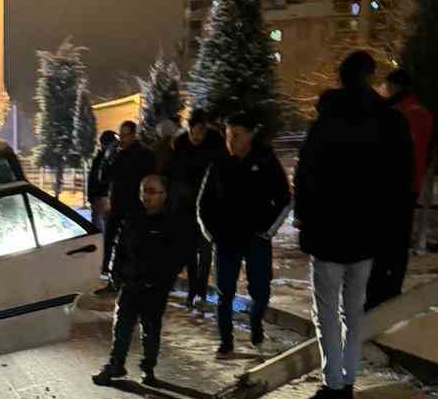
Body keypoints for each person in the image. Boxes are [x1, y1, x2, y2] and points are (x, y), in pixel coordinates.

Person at [290, 50, 415, 399]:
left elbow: (306, 175)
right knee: (353, 311)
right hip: (368, 235)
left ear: (341, 76)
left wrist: (305, 222)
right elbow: (401, 182)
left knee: (327, 312)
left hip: (328, 234)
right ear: (370, 77)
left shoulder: (327, 121)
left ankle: (335, 385)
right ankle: (347, 381)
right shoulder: (390, 122)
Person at [197, 111, 291, 356]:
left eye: (236, 136)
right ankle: (226, 341)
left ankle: (256, 323)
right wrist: (211, 233)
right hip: (226, 239)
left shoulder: (266, 159)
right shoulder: (218, 162)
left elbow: (284, 199)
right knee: (224, 293)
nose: (231, 141)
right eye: (228, 136)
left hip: (257, 239)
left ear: (250, 135)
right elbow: (203, 204)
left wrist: (268, 232)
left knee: (261, 292)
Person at [92, 173, 192, 388]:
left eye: (152, 191)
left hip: (155, 287)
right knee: (122, 325)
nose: (147, 196)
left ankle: (148, 369)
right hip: (131, 282)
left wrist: (160, 280)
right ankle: (115, 364)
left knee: (150, 327)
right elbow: (119, 248)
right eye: (144, 191)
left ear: (165, 195)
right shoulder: (133, 217)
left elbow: (177, 257)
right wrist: (115, 273)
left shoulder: (172, 222)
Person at [366, 66, 434, 307]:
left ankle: (378, 294)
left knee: (381, 243)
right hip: (411, 186)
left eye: (388, 86)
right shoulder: (424, 114)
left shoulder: (394, 113)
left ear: (395, 87)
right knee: (399, 243)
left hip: (387, 188)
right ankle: (393, 290)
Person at [168, 109, 227, 314]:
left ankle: (200, 291)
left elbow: (221, 175)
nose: (197, 137)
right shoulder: (181, 145)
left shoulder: (216, 145)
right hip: (185, 208)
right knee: (189, 252)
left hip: (208, 208)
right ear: (190, 129)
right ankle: (193, 291)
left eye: (201, 132)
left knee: (205, 251)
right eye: (194, 132)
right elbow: (173, 176)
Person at [95, 120, 155, 294]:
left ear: (133, 135)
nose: (121, 139)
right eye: (120, 135)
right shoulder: (117, 154)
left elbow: (147, 177)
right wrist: (108, 156)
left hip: (136, 207)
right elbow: (103, 177)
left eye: (125, 135)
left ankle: (132, 282)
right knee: (112, 243)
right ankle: (114, 279)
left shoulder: (144, 154)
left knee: (131, 245)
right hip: (117, 205)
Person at [87, 129, 118, 239]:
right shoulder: (106, 159)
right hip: (102, 198)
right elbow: (102, 180)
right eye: (114, 143)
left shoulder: (99, 158)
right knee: (103, 233)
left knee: (99, 230)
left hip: (98, 198)